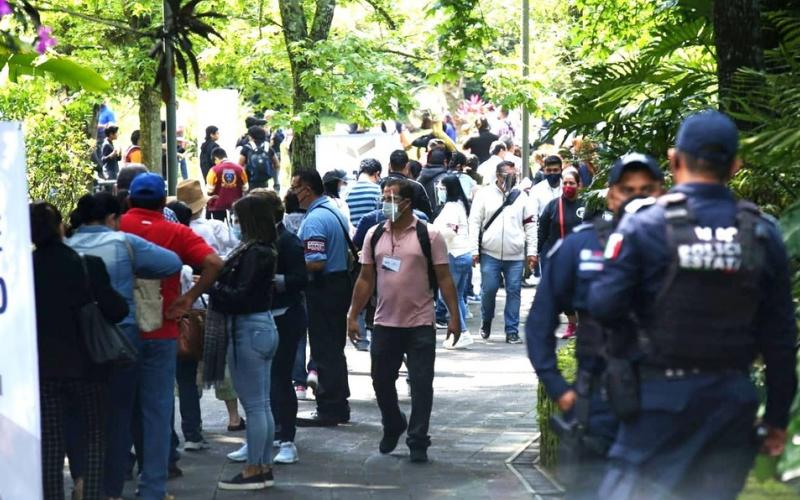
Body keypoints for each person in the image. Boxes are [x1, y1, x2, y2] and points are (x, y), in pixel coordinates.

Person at [589, 111, 798, 499]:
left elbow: (604, 305)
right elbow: (781, 339)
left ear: (673, 160)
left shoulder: (645, 225)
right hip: (731, 408)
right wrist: (776, 418)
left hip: (658, 405)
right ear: (735, 166)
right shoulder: (762, 232)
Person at [525, 153, 665, 498]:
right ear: (612, 195)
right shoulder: (581, 246)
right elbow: (540, 324)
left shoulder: (681, 244)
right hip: (599, 400)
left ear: (661, 192)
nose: (638, 197)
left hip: (665, 400)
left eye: (647, 189)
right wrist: (560, 389)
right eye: (628, 189)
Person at [65, 193, 183, 499]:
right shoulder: (124, 242)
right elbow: (171, 263)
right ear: (112, 218)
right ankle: (111, 490)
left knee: (78, 416)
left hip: (76, 343)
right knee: (118, 417)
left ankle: (81, 481)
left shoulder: (66, 246)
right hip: (120, 339)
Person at [120, 173, 223, 499]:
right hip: (163, 330)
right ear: (162, 201)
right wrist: (189, 298)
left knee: (121, 406)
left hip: (120, 332)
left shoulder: (117, 226)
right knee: (157, 409)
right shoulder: (177, 232)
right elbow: (214, 263)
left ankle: (114, 476)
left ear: (131, 200)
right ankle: (152, 487)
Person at [347, 178, 461, 464]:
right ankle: (393, 422)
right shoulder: (374, 234)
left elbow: (445, 278)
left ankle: (418, 439)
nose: (386, 203)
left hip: (420, 322)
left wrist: (455, 317)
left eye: (392, 198)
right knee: (380, 380)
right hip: (385, 322)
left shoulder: (429, 235)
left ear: (407, 203)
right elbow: (365, 278)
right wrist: (352, 315)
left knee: (422, 383)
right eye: (383, 197)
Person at [31, 201, 129, 500]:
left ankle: (50, 494)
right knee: (94, 437)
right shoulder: (87, 265)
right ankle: (90, 491)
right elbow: (116, 310)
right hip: (89, 366)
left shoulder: (23, 272)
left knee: (50, 443)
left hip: (43, 370)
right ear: (60, 227)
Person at [210, 196, 280, 490]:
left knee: (254, 404)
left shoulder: (254, 253)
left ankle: (254, 468)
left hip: (248, 328)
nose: (234, 224)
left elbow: (240, 294)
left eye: (238, 219)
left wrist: (212, 286)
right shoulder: (263, 250)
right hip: (261, 326)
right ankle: (262, 465)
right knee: (261, 403)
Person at [251, 189, 307, 464]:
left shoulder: (288, 241)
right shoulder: (256, 241)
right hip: (260, 317)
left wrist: (279, 280)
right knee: (261, 382)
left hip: (285, 316)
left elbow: (301, 278)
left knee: (280, 378)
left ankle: (287, 438)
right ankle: (266, 436)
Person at [292, 170, 353, 426]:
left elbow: (316, 262)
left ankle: (329, 407)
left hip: (324, 288)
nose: (293, 192)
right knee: (334, 348)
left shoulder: (316, 219)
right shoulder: (332, 210)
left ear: (307, 188)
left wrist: (291, 267)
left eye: (296, 187)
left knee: (324, 349)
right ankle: (338, 403)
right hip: (338, 285)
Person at [468, 161, 535, 344]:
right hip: (490, 252)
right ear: (498, 176)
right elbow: (474, 223)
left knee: (514, 291)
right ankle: (486, 320)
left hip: (515, 254)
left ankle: (511, 330)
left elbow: (530, 226)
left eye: (514, 175)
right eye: (507, 175)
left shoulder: (521, 197)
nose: (511, 179)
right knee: (488, 290)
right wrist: (474, 250)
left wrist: (532, 252)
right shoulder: (484, 195)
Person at [536, 168, 585, 338]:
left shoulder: (587, 205)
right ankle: (572, 323)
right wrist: (534, 253)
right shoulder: (553, 206)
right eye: (565, 183)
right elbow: (542, 231)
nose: (568, 186)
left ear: (579, 185)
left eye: (571, 183)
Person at [432, 175, 475, 349]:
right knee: (456, 297)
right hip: (463, 254)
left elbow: (449, 232)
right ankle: (461, 331)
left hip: (454, 255)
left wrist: (433, 234)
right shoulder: (460, 205)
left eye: (442, 187)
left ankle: (462, 331)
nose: (439, 191)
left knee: (447, 296)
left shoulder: (451, 207)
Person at [526, 155, 564, 286]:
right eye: (549, 170)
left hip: (567, 236)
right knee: (548, 278)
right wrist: (534, 249)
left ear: (561, 170)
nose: (552, 173)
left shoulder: (567, 186)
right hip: (547, 237)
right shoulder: (537, 190)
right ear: (544, 170)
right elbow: (532, 217)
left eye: (555, 170)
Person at [381, 149, 432, 218]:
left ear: (389, 165)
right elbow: (427, 214)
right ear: (407, 165)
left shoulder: (379, 184)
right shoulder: (416, 187)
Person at [206, 148, 249, 221]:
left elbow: (209, 191)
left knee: (220, 226)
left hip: (218, 205)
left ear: (216, 158)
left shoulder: (213, 170)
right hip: (236, 204)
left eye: (214, 161)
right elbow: (245, 188)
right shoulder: (240, 169)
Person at [345, 158, 383, 227]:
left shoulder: (346, 192)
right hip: (371, 236)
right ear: (377, 174)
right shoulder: (378, 191)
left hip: (350, 236)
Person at [239, 125, 278, 190]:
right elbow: (277, 164)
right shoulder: (268, 147)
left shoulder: (247, 148)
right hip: (264, 181)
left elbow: (239, 165)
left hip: (250, 181)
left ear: (251, 136)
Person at [417, 148, 450, 216]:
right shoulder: (446, 179)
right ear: (445, 162)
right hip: (441, 219)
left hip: (422, 220)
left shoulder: (418, 178)